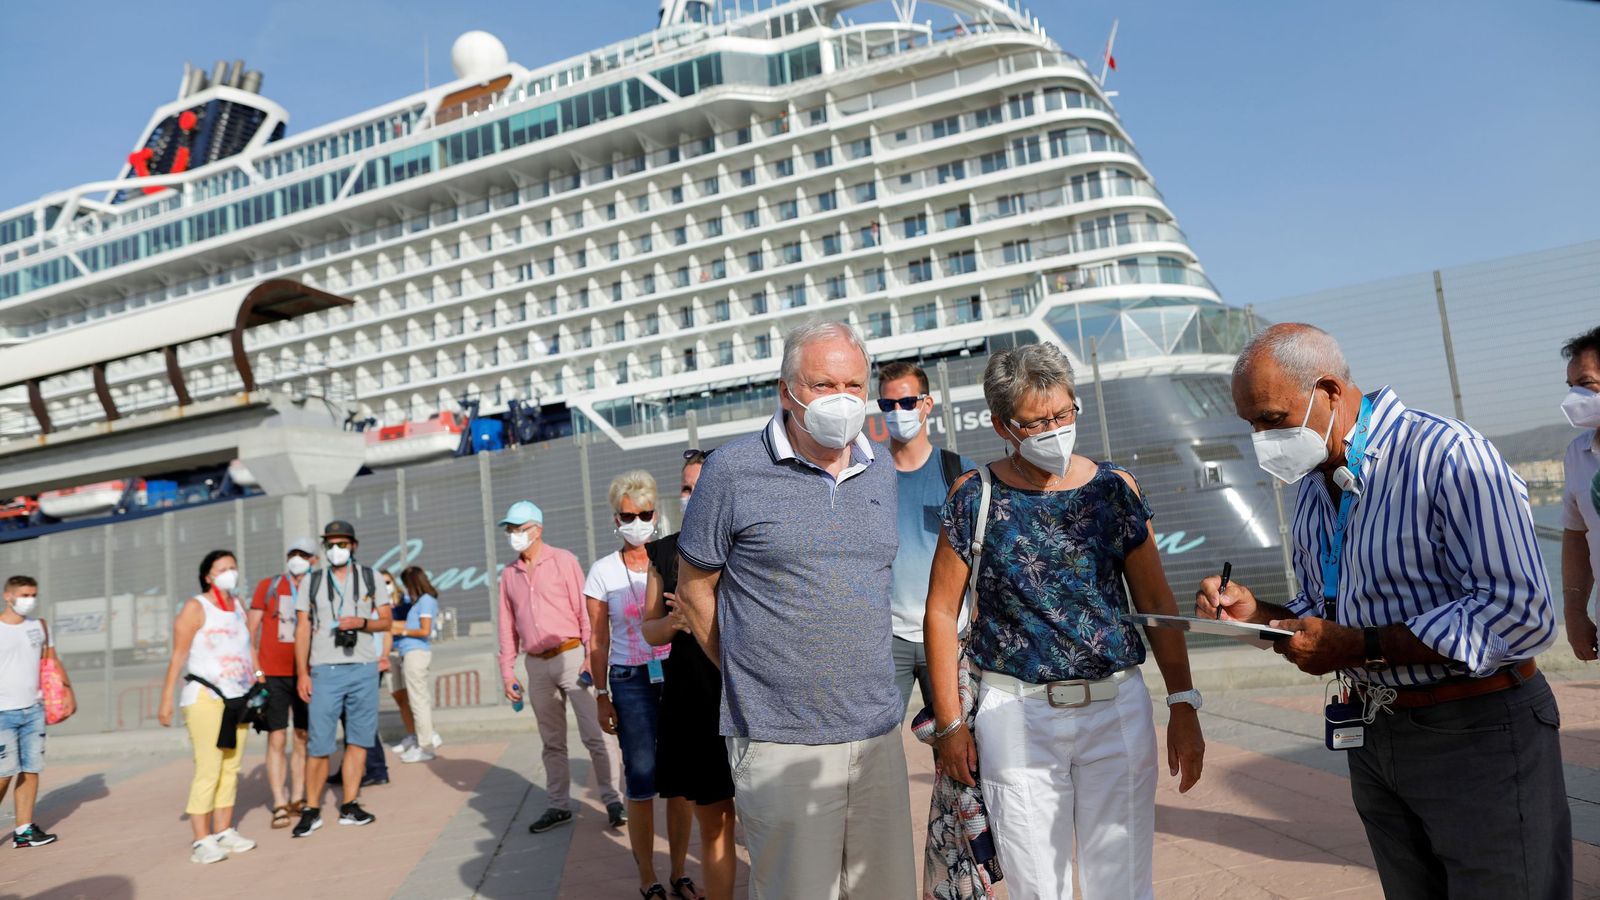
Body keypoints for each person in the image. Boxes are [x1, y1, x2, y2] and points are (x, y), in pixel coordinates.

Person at [1198, 322, 1568, 898]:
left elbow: (1520, 611)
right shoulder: (1311, 483)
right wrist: (1261, 616)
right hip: (1377, 733)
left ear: (1329, 391)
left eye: (1270, 419)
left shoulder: (1447, 455)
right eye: (1250, 424)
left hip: (1478, 730)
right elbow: (1326, 613)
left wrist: (1364, 647)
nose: (1261, 439)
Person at [923, 343, 1204, 900]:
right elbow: (938, 610)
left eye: (1063, 414)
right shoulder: (973, 495)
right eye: (1036, 422)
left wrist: (1183, 701)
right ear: (1004, 425)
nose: (1055, 429)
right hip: (1017, 715)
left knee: (1123, 883)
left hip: (1116, 709)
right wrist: (951, 726)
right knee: (1036, 887)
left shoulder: (1114, 490)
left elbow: (1157, 600)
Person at [677, 320, 916, 898]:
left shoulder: (879, 466)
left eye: (854, 385)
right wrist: (745, 672)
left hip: (878, 732)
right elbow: (693, 589)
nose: (842, 399)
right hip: (780, 740)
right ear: (787, 391)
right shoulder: (732, 471)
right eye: (823, 384)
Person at [587, 471, 693, 900]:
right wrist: (600, 695)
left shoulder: (673, 558)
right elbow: (597, 639)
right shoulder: (601, 572)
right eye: (628, 515)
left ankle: (680, 871)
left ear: (656, 513)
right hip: (629, 680)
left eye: (645, 513)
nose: (637, 522)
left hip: (676, 673)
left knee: (682, 778)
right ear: (615, 518)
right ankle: (648, 876)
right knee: (643, 778)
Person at [497, 500, 626, 833]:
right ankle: (558, 806)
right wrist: (507, 672)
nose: (513, 535)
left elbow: (586, 612)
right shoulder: (509, 575)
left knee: (596, 734)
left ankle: (614, 800)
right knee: (551, 741)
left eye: (518, 529)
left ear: (537, 529)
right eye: (510, 530)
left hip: (571, 656)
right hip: (536, 664)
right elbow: (506, 626)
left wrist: (589, 654)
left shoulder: (564, 561)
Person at [643, 450, 733, 900]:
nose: (692, 495)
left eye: (700, 486)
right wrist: (678, 622)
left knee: (768, 815)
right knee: (714, 818)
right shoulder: (662, 552)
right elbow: (649, 628)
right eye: (685, 487)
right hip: (693, 694)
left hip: (745, 688)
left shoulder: (746, 543)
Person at [876, 360, 976, 713]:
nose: (898, 411)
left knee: (957, 745)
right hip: (888, 638)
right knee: (879, 748)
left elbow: (983, 554)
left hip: (950, 634)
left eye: (907, 402)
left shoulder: (959, 472)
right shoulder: (869, 476)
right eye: (888, 405)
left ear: (926, 404)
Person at [157, 550, 261, 864]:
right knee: (209, 768)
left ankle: (223, 830)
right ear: (208, 576)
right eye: (223, 569)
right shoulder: (195, 607)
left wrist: (259, 679)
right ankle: (201, 840)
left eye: (233, 567)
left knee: (231, 766)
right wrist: (166, 699)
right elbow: (178, 655)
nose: (230, 573)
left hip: (239, 696)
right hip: (206, 697)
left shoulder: (238, 606)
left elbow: (248, 648)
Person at [291, 520, 392, 838]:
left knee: (359, 740)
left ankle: (350, 803)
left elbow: (386, 620)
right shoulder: (312, 581)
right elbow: (302, 628)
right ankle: (311, 808)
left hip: (363, 667)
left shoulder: (370, 577)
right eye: (331, 544)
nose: (337, 550)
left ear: (353, 545)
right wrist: (302, 672)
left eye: (342, 544)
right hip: (325, 670)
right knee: (319, 743)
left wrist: (363, 621)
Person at [0, 575, 75, 849]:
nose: (29, 600)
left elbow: (51, 660)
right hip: (2, 713)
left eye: (33, 595)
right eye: (24, 595)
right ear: (8, 596)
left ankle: (23, 831)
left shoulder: (39, 626)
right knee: (3, 774)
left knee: (31, 770)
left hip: (33, 709)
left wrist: (67, 690)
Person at [247, 537, 315, 829]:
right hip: (273, 674)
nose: (297, 559)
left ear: (315, 560)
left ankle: (298, 796)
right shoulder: (270, 586)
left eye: (304, 554)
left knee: (302, 737)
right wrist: (258, 672)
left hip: (307, 673)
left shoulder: (317, 587)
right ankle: (279, 802)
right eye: (293, 554)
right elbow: (249, 632)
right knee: (277, 737)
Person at [1560, 325, 1600, 660]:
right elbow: (1576, 535)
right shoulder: (1578, 454)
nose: (1575, 399)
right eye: (1571, 387)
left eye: (1585, 385)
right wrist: (1574, 613)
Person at [391, 565, 441, 762]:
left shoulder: (426, 601)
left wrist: (401, 631)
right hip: (410, 653)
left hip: (416, 653)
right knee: (417, 700)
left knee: (419, 701)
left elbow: (424, 630)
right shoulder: (419, 602)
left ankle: (426, 747)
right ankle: (424, 742)